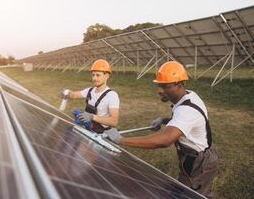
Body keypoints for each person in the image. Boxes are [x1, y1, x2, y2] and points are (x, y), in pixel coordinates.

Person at [105, 61, 218, 198]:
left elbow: (164, 141)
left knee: (192, 194)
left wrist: (121, 140)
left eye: (165, 86)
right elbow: (187, 122)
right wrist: (164, 120)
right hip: (197, 156)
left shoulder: (186, 110)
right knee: (192, 190)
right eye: (159, 85)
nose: (159, 90)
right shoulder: (189, 96)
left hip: (199, 163)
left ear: (179, 84)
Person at [61, 59, 120, 133]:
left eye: (98, 75)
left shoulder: (112, 96)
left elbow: (114, 121)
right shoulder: (90, 90)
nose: (94, 78)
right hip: (87, 128)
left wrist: (91, 117)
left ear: (107, 76)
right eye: (93, 75)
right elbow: (74, 95)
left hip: (100, 133)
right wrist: (67, 93)